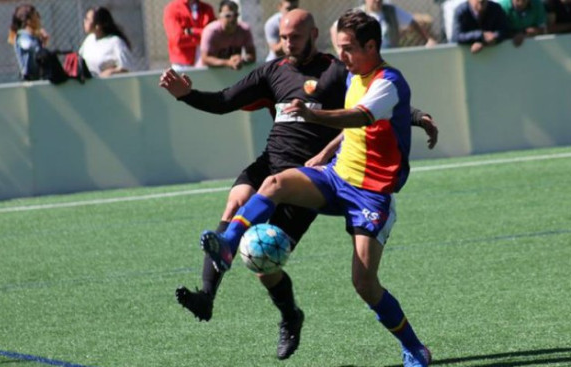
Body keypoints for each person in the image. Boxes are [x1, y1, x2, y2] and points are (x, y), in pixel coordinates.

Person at [159, 8, 438, 362]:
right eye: (340, 47)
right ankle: (226, 250)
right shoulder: (328, 72)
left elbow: (364, 114)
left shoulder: (369, 78)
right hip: (330, 176)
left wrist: (315, 115)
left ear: (369, 45)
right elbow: (227, 100)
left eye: (348, 47)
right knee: (269, 187)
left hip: (370, 191)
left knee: (364, 284)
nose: (343, 55)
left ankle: (414, 347)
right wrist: (325, 152)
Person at [330, 0, 437, 53]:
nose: (378, 0)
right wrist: (340, 51)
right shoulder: (358, 14)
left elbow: (412, 22)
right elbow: (334, 29)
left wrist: (428, 39)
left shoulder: (391, 11)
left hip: (391, 56)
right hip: (366, 59)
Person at [196, 0, 256, 69]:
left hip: (231, 73)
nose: (232, 19)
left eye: (235, 15)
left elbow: (252, 55)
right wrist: (228, 62)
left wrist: (242, 59)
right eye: (228, 15)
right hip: (209, 74)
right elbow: (205, 59)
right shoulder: (211, 31)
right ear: (219, 16)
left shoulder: (244, 30)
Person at [79, 7, 134, 77]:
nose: (84, 21)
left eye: (87, 19)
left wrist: (111, 72)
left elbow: (127, 68)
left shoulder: (115, 42)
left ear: (97, 26)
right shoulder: (89, 40)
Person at [163, 0, 216, 71]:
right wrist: (203, 35)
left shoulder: (207, 8)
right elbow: (178, 39)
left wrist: (192, 31)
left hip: (205, 61)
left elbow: (214, 35)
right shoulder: (173, 8)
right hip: (183, 64)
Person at [8, 4, 49, 81]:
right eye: (36, 15)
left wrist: (43, 42)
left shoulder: (32, 37)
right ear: (28, 21)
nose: (39, 18)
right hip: (29, 79)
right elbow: (29, 46)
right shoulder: (22, 35)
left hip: (37, 78)